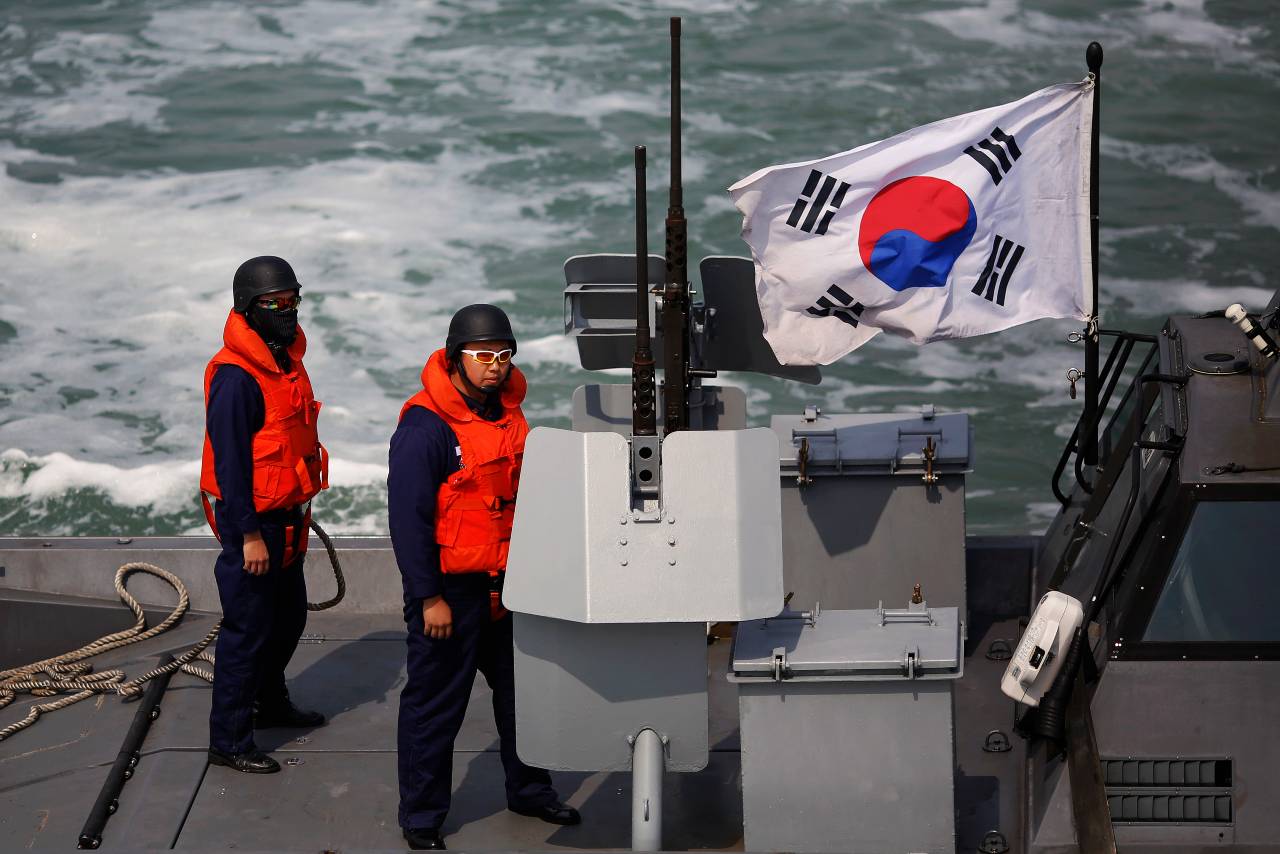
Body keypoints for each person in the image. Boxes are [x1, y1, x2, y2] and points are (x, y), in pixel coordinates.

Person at [389, 304, 580, 851]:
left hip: (511, 585)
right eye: (483, 356)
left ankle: (531, 790)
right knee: (435, 707)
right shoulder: (423, 429)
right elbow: (408, 522)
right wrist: (429, 597)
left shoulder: (509, 414)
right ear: (456, 358)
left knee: (525, 696)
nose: (496, 366)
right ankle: (421, 817)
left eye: (503, 355)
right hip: (452, 594)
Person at [200, 255, 329, 774]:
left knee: (289, 618)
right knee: (247, 632)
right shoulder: (235, 378)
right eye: (275, 303)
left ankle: (270, 703)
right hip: (252, 523)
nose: (287, 310)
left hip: (289, 516)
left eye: (293, 300)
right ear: (248, 309)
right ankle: (229, 741)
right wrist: (249, 534)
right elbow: (230, 465)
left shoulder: (286, 362)